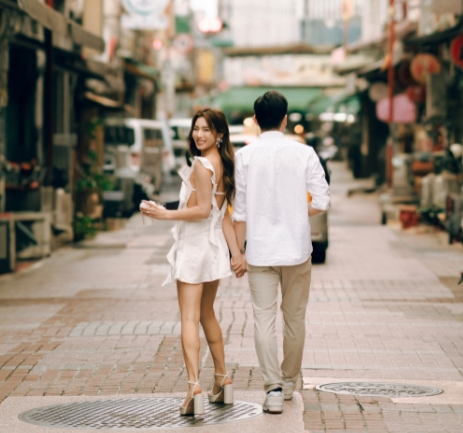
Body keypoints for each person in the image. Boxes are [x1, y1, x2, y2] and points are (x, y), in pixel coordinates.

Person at [232, 91, 331, 415]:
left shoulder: (244, 156)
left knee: (263, 320)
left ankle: (272, 389)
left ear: (256, 120)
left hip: (260, 252)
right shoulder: (305, 153)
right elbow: (321, 200)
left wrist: (238, 252)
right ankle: (289, 381)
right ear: (286, 119)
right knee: (294, 319)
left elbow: (241, 211)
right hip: (297, 251)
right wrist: (296, 213)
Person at [141, 108, 242, 417]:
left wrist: (164, 214)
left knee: (188, 318)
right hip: (212, 249)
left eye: (206, 130)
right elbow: (221, 215)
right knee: (206, 313)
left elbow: (200, 212)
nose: (199, 134)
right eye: (196, 129)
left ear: (219, 134)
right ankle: (223, 378)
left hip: (195, 247)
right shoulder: (225, 163)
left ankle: (193, 387)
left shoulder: (201, 164)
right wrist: (235, 252)